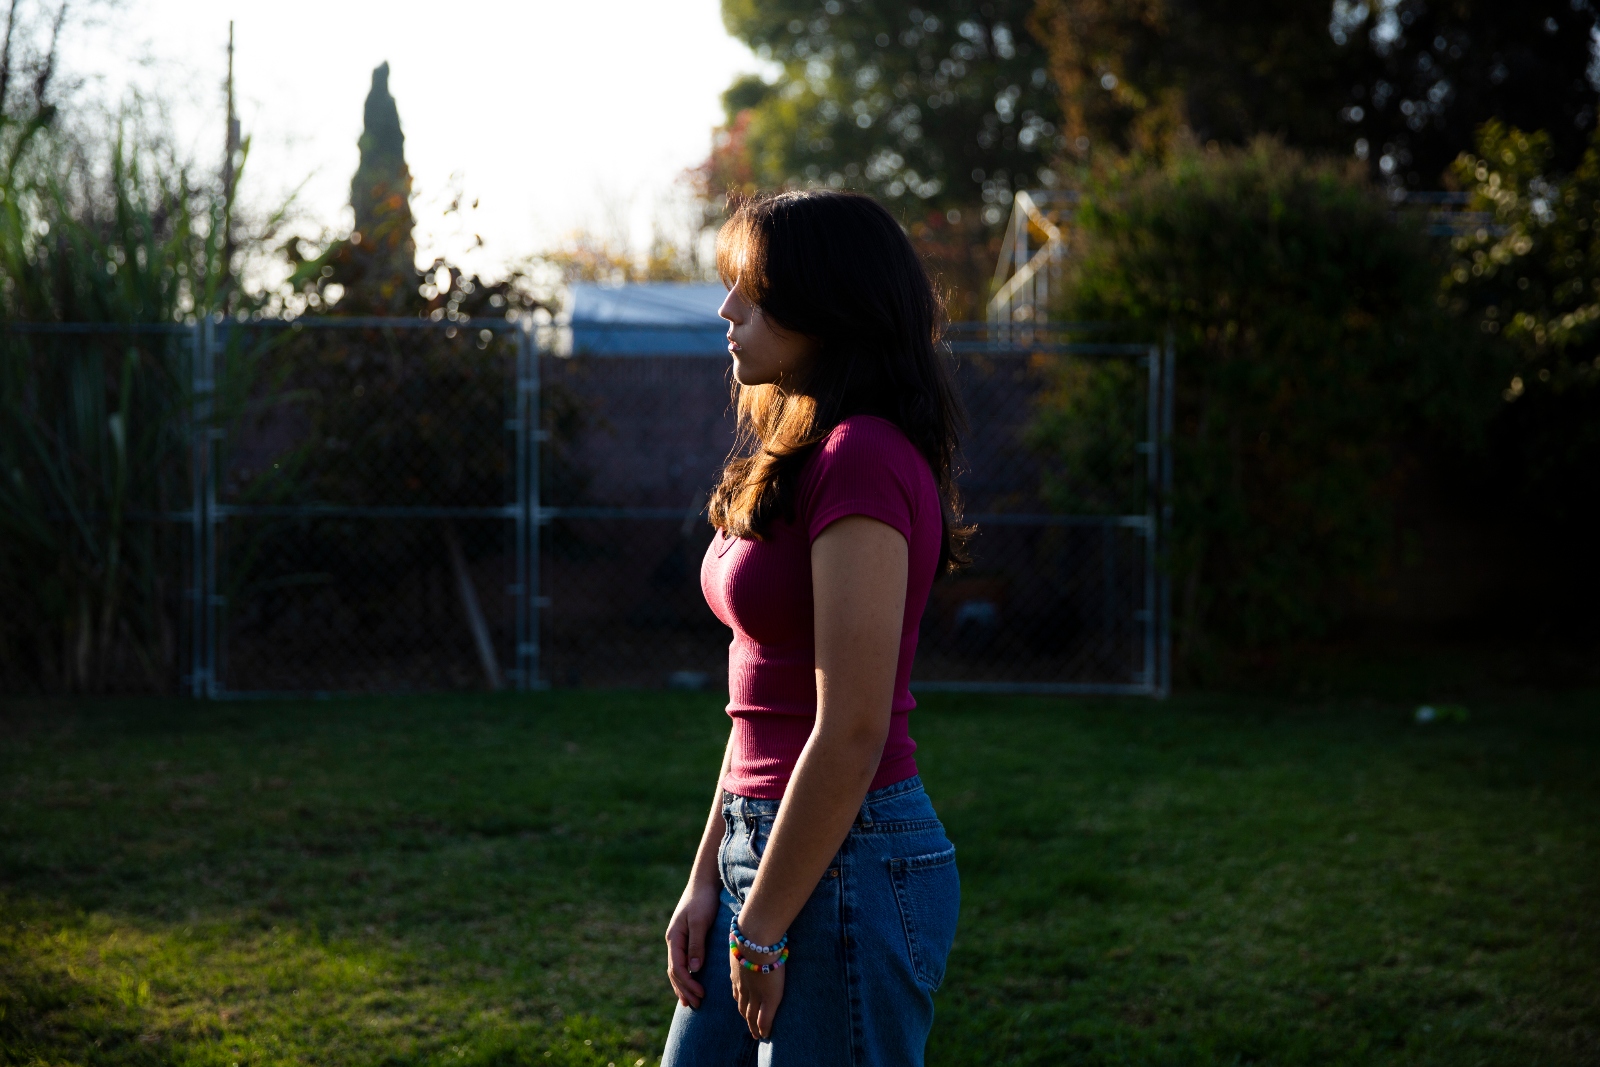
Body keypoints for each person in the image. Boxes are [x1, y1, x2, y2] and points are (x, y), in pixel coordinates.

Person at [662, 190, 969, 1067]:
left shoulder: (862, 455)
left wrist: (758, 928)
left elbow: (850, 729)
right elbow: (759, 701)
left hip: (851, 863)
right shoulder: (801, 449)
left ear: (825, 307)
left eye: (750, 292)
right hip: (762, 850)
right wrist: (707, 882)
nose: (726, 310)